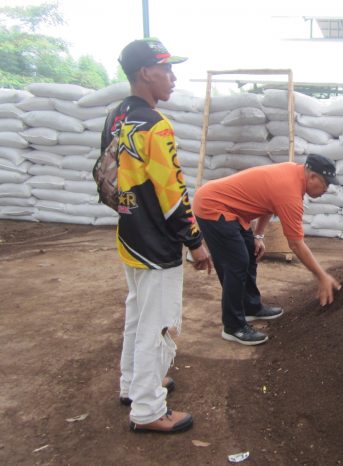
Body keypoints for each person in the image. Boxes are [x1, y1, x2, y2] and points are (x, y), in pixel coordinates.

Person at [101, 38, 213, 434]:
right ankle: (149, 410)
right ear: (145, 72)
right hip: (156, 242)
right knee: (158, 325)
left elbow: (107, 180)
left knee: (137, 316)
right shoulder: (155, 124)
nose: (173, 77)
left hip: (130, 236)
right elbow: (173, 192)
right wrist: (195, 241)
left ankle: (134, 386)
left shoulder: (117, 116)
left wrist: (132, 214)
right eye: (166, 69)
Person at [192, 154, 342, 345]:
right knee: (236, 263)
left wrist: (259, 236)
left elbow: (269, 202)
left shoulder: (293, 173)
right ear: (312, 177)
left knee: (250, 254)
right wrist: (322, 276)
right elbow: (296, 244)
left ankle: (250, 307)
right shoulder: (289, 192)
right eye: (325, 184)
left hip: (233, 210)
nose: (326, 190)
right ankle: (233, 326)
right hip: (212, 205)